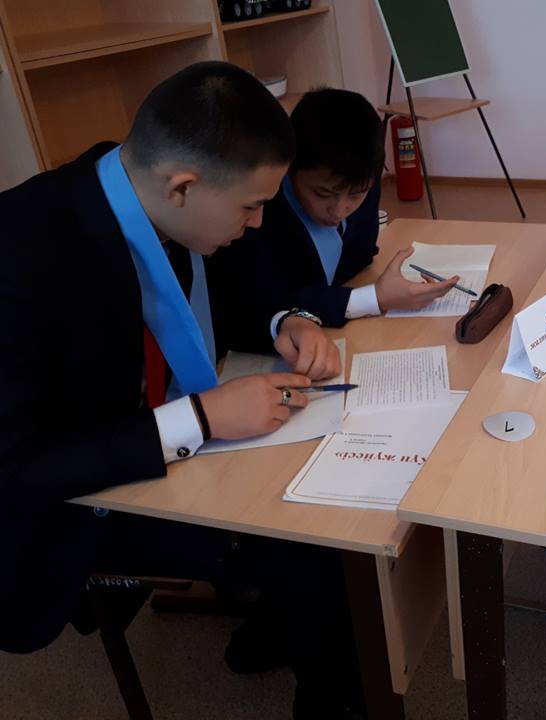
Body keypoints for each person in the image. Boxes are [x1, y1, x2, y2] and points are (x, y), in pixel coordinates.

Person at [0, 61, 363, 718]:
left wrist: (289, 321)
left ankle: (283, 623)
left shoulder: (145, 192)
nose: (259, 223)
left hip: (178, 432)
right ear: (184, 187)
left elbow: (228, 297)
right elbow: (19, 467)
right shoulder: (22, 255)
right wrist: (199, 418)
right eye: (252, 206)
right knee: (319, 541)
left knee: (333, 495)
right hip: (76, 500)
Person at [210, 87, 457, 331]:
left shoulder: (362, 181)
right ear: (291, 168)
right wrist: (373, 298)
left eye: (355, 196)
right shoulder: (260, 212)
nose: (339, 211)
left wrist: (386, 291)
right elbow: (259, 304)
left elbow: (359, 257)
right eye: (323, 194)